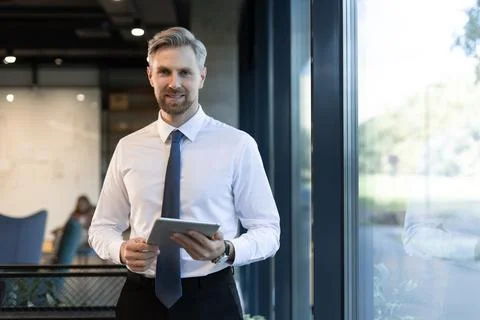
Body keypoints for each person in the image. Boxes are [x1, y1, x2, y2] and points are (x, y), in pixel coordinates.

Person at [88, 27, 280, 320]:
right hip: (140, 300)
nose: (174, 83)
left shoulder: (237, 145)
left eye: (185, 72)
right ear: (150, 75)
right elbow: (101, 228)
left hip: (212, 299)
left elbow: (268, 231)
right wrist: (121, 250)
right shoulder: (128, 147)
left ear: (201, 76)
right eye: (164, 72)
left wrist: (226, 249)